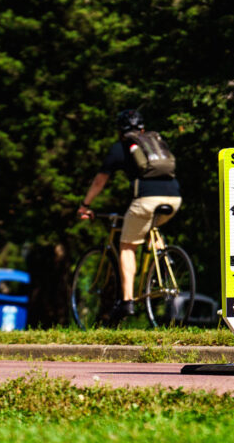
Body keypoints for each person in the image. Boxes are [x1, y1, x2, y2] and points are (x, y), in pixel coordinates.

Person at [77, 109, 182, 322]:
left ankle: (127, 301)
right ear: (142, 128)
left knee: (127, 246)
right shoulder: (155, 143)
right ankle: (162, 258)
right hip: (174, 198)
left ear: (120, 131)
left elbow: (100, 181)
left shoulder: (121, 147)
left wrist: (85, 205)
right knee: (152, 227)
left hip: (145, 200)